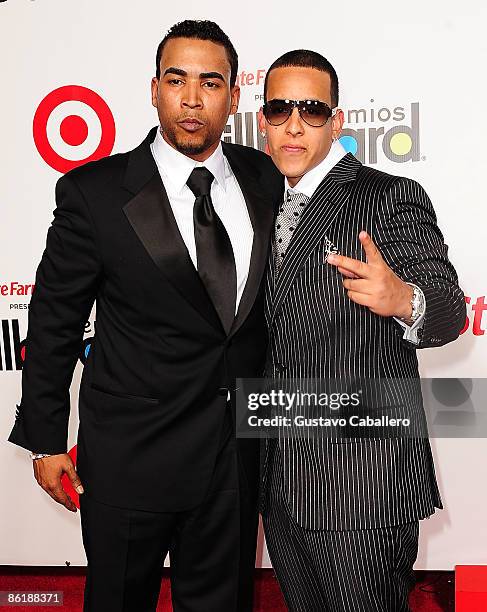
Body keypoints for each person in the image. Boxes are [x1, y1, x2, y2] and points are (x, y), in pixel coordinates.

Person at [8, 20, 282, 612]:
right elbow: (55, 319)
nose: (191, 98)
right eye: (176, 79)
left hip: (235, 459)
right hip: (131, 458)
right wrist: (46, 440)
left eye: (210, 83)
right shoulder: (95, 192)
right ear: (153, 88)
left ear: (234, 96)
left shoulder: (264, 178)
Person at [258, 49, 466, 612]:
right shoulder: (254, 203)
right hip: (278, 482)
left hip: (361, 486)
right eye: (279, 109)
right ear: (263, 122)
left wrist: (404, 299)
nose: (294, 124)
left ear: (338, 121)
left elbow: (450, 310)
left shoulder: (389, 196)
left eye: (312, 109)